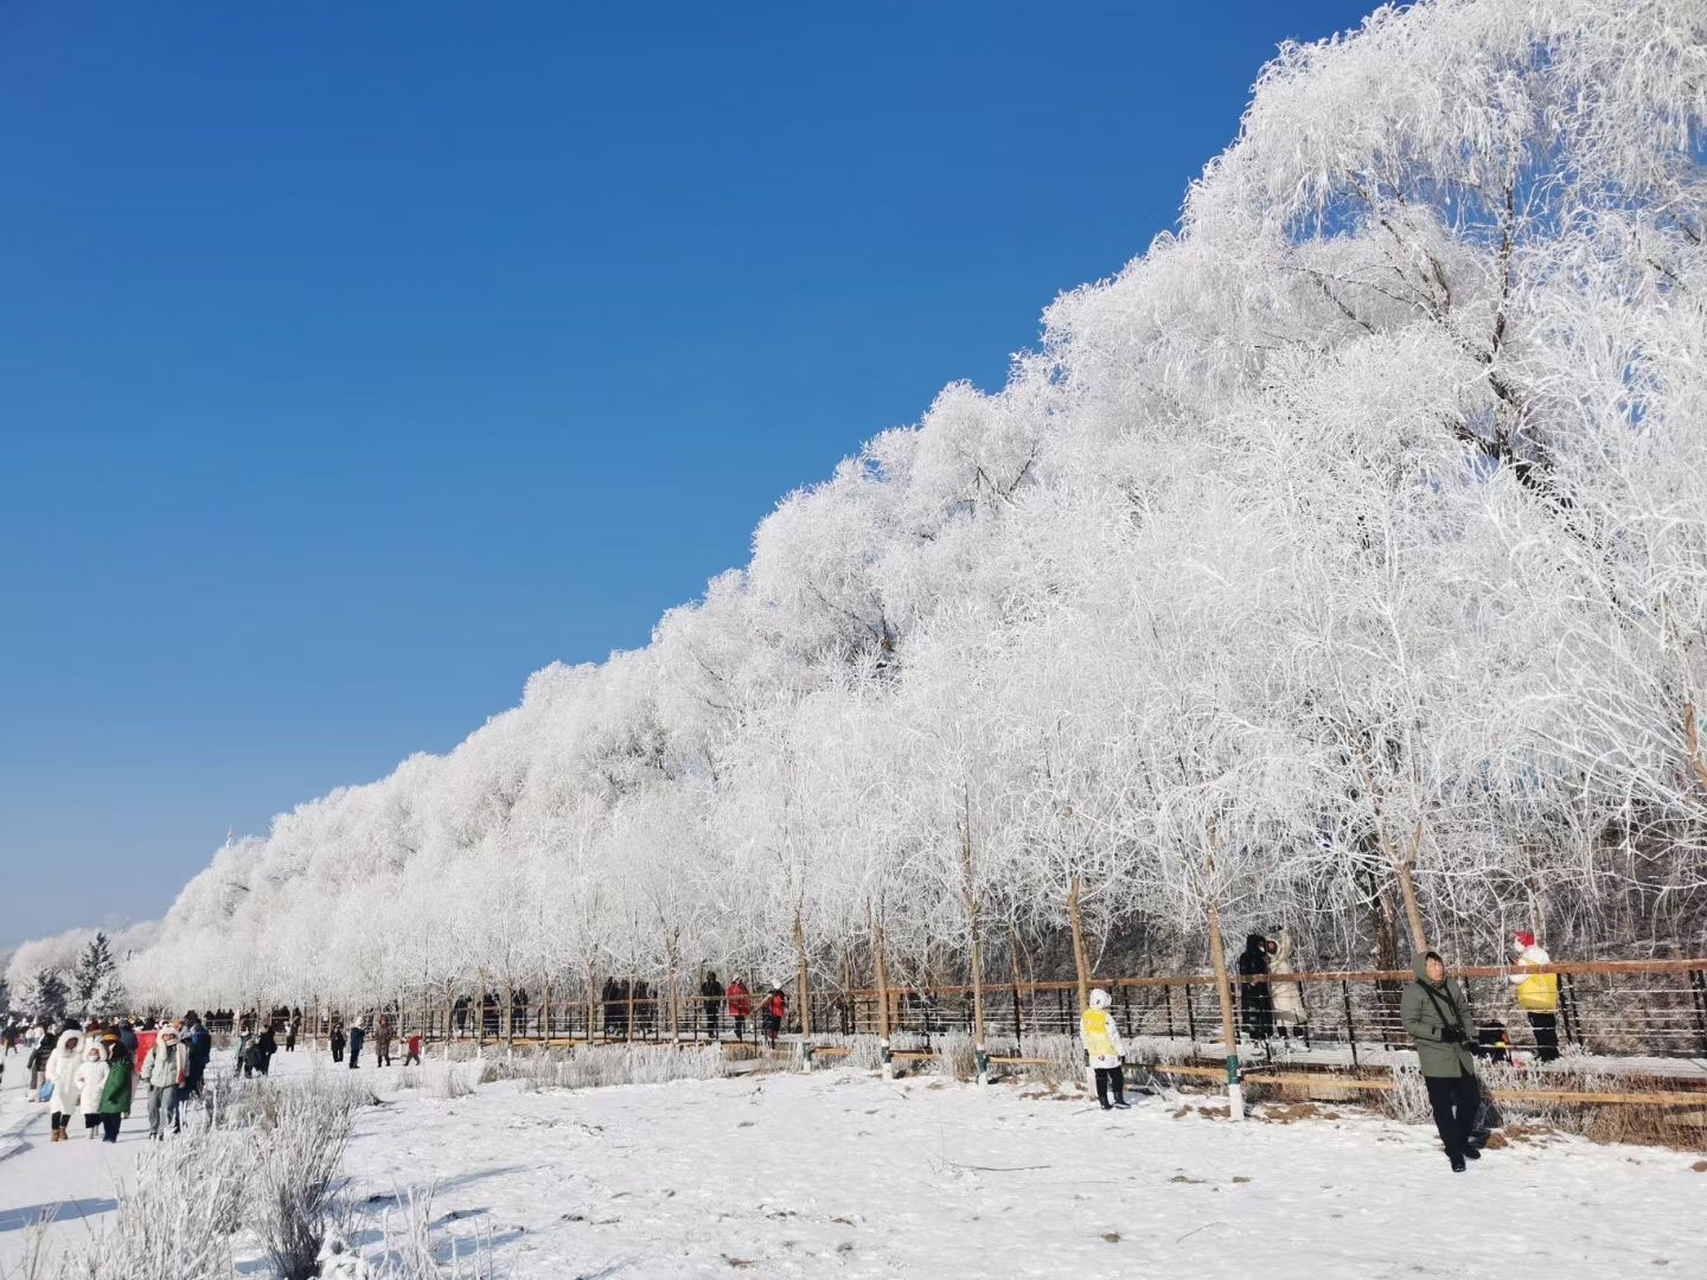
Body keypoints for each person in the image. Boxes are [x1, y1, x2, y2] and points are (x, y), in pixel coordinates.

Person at [1401, 950, 1482, 1172]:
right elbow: (1410, 1023)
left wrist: (1472, 1037)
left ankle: (1461, 1140)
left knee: (1471, 1100)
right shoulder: (1413, 992)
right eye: (1432, 965)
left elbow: (1464, 1012)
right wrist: (1438, 1032)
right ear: (1422, 969)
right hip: (1435, 1056)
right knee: (1442, 1106)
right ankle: (1454, 1151)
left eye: (1439, 963)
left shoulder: (1451, 986)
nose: (1438, 968)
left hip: (1460, 1053)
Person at [1509, 931, 1560, 1063]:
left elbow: (1516, 978)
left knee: (1539, 1028)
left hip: (1533, 997)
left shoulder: (1525, 960)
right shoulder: (1543, 954)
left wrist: (1513, 968)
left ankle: (1545, 1055)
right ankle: (1553, 1052)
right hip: (1547, 996)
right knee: (1549, 1025)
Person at [1080, 988, 1130, 1111]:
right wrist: (1121, 1052)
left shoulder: (1085, 1016)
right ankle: (1118, 1099)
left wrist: (1087, 1049)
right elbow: (1114, 1037)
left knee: (1100, 1077)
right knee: (1116, 1075)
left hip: (1094, 1052)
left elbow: (1083, 1034)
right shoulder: (1106, 1017)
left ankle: (1103, 1101)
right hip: (1109, 1051)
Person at [141, 1026, 186, 1139]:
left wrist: (182, 1078)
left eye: (171, 1035)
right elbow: (147, 1065)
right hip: (155, 1082)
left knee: (167, 1107)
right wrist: (146, 1079)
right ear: (162, 1036)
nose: (168, 1037)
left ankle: (163, 1131)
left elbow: (186, 1065)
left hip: (170, 1083)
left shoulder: (180, 1049)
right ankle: (153, 1129)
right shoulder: (156, 1049)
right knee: (152, 1107)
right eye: (166, 1035)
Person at [45, 1028, 85, 1142]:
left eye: (74, 1041)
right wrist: (54, 1078)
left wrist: (81, 1084)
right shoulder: (57, 1052)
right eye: (70, 1040)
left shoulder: (79, 1055)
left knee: (68, 1108)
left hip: (72, 1086)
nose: (72, 1043)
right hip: (59, 1084)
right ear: (64, 1041)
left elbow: (83, 1070)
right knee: (56, 1107)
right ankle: (55, 1131)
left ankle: (63, 1129)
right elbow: (50, 1067)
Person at [1268, 927, 1307, 1037]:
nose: (1271, 947)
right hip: (1278, 993)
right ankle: (1283, 1037)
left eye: (1272, 944)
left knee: (1296, 1013)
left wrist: (1282, 932)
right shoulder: (1268, 962)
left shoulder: (1282, 957)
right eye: (1268, 945)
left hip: (1290, 990)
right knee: (1282, 1015)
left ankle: (1299, 1037)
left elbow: (1286, 944)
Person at [1237, 934, 1274, 1041]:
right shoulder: (1259, 957)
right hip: (1256, 989)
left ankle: (1257, 1038)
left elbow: (1243, 972)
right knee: (1259, 1013)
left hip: (1252, 990)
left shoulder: (1247, 956)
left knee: (1255, 1013)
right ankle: (1261, 1037)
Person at [97, 1039, 132, 1143]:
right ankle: (108, 1134)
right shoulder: (116, 1064)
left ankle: (112, 1135)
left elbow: (119, 1082)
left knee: (113, 1117)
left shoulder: (121, 1066)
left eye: (111, 1052)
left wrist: (111, 1094)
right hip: (109, 1095)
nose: (110, 1054)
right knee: (105, 1116)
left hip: (115, 1097)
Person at [74, 1042, 110, 1140]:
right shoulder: (84, 1065)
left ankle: (96, 1126)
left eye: (95, 1053)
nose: (93, 1055)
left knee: (97, 1112)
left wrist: (102, 1085)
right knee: (87, 1112)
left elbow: (107, 1076)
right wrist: (81, 1085)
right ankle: (89, 1130)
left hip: (98, 1091)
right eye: (91, 1053)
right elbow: (77, 1077)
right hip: (86, 1091)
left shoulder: (104, 1064)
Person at [726, 975, 751, 1042]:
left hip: (742, 1005)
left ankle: (738, 1031)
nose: (739, 981)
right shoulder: (732, 987)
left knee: (742, 1019)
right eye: (738, 979)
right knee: (737, 1019)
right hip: (735, 1006)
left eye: (739, 979)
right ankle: (738, 1032)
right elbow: (729, 995)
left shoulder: (743, 987)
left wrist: (746, 1002)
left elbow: (747, 994)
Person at [760, 985, 786, 1049]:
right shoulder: (772, 994)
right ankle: (771, 1034)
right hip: (773, 1010)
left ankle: (774, 1034)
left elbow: (782, 1002)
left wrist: (783, 1003)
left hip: (778, 1010)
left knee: (777, 1023)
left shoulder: (781, 994)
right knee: (773, 1022)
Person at [700, 971, 724, 1040]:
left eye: (712, 978)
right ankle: (710, 1032)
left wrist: (719, 1000)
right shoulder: (705, 985)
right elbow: (703, 993)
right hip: (708, 1004)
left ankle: (713, 1032)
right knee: (710, 1018)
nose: (711, 979)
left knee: (714, 1019)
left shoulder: (717, 984)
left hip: (715, 1004)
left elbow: (722, 991)